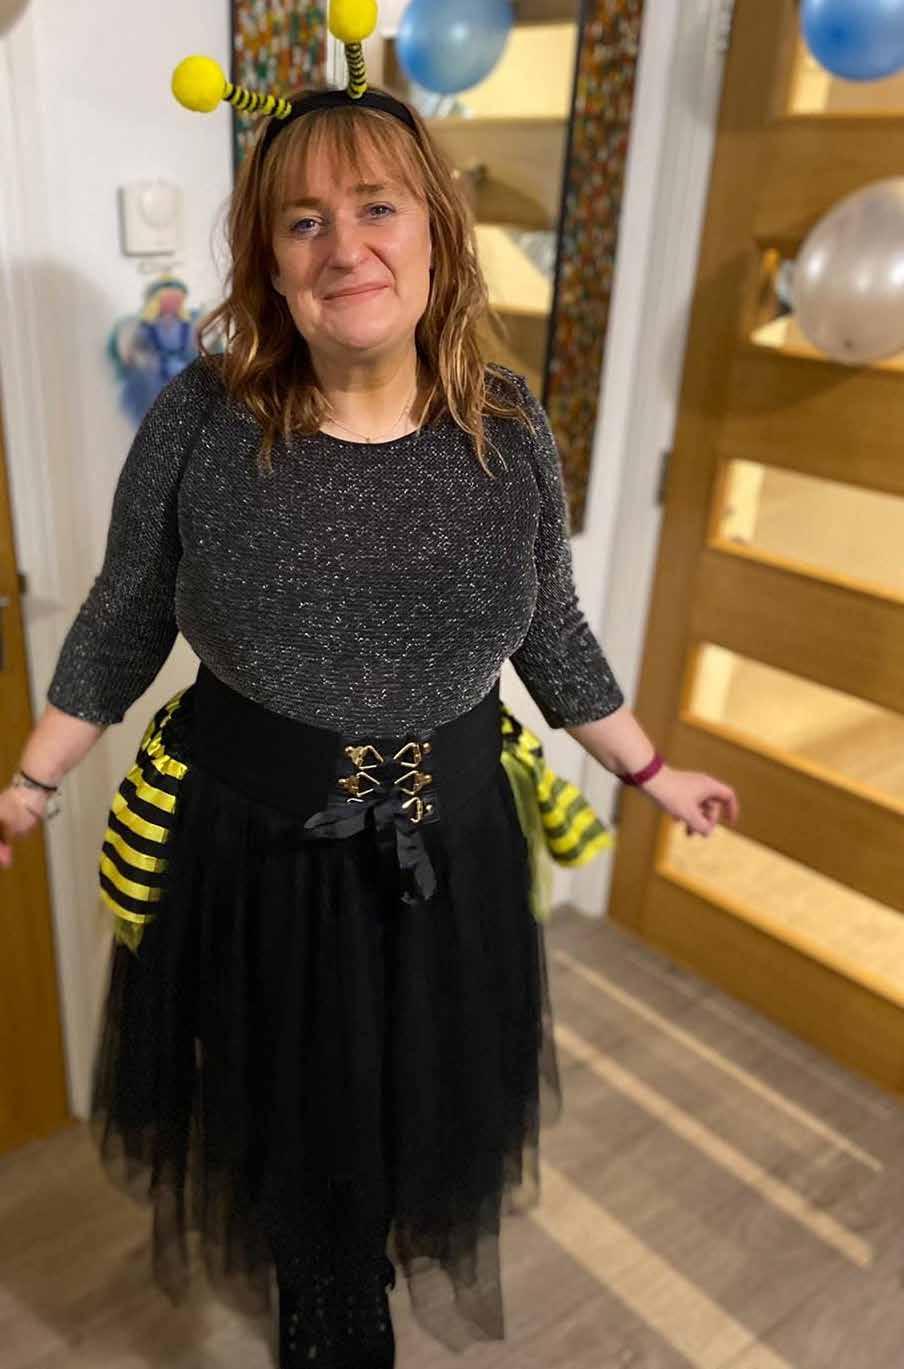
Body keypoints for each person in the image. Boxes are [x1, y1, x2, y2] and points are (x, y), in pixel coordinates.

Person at [0, 37, 739, 1369]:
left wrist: (651, 769)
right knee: (297, 1140)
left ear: (437, 233)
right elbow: (122, 615)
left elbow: (552, 629)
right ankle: (327, 1307)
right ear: (270, 261)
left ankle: (356, 1265)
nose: (345, 246)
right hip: (257, 853)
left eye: (377, 207)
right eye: (304, 220)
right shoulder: (203, 419)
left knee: (416, 1110)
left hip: (454, 846)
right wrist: (29, 780)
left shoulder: (507, 425)